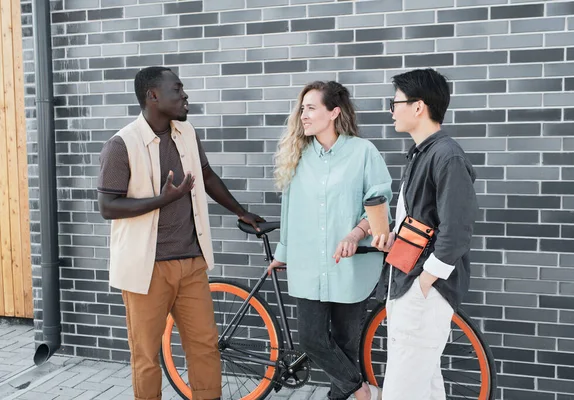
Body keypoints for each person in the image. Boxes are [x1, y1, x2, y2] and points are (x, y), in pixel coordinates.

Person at [97, 66, 264, 400]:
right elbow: (108, 206)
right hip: (147, 270)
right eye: (178, 89)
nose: (185, 95)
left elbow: (206, 175)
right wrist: (163, 199)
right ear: (153, 95)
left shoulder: (186, 133)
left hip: (191, 263)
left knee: (204, 346)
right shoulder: (121, 144)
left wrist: (240, 211)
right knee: (146, 356)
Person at [268, 81, 392, 400]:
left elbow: (378, 204)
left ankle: (340, 395)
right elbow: (289, 210)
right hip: (308, 265)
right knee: (311, 340)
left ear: (333, 112)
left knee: (346, 343)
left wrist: (356, 232)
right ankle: (360, 390)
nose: (303, 115)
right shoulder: (298, 156)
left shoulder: (363, 153)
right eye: (302, 108)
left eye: (311, 108)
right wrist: (283, 252)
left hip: (351, 267)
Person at [371, 68, 478, 399]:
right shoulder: (423, 153)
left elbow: (456, 231)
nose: (391, 110)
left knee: (402, 390)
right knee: (426, 385)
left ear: (418, 107)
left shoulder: (447, 156)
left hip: (424, 290)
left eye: (395, 102)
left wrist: (423, 284)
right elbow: (425, 223)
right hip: (409, 282)